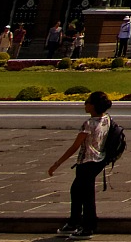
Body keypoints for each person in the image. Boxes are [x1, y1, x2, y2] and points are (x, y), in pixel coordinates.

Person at [46, 90, 113, 239]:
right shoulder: (107, 119)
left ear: (93, 106)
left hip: (87, 162)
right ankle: (74, 222)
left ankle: (88, 227)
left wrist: (57, 164)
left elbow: (75, 146)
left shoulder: (89, 124)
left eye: (88, 102)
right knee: (76, 191)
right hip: (98, 160)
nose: (85, 104)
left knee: (86, 195)